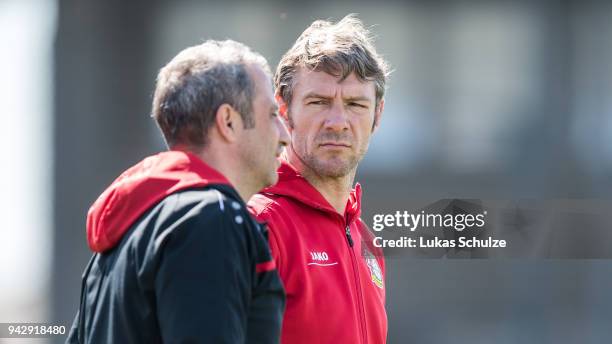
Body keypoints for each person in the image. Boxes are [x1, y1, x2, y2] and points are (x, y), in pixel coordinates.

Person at [67, 40, 289, 343]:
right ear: (228, 122)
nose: (285, 134)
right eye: (272, 114)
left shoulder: (121, 238)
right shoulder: (212, 219)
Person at [248, 14, 390, 344]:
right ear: (283, 110)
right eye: (319, 102)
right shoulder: (258, 225)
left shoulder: (367, 243)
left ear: (377, 115)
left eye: (355, 104)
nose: (338, 122)